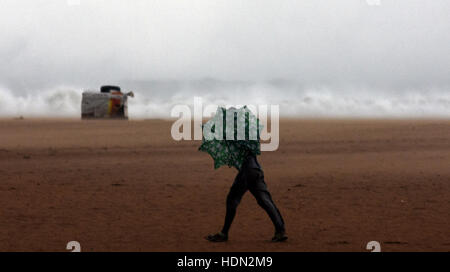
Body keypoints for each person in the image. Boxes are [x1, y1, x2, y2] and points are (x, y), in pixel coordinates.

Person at [206, 151, 287, 242]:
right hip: (256, 169)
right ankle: (280, 230)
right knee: (265, 201)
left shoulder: (240, 140)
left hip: (247, 171)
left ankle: (224, 233)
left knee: (232, 200)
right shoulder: (250, 140)